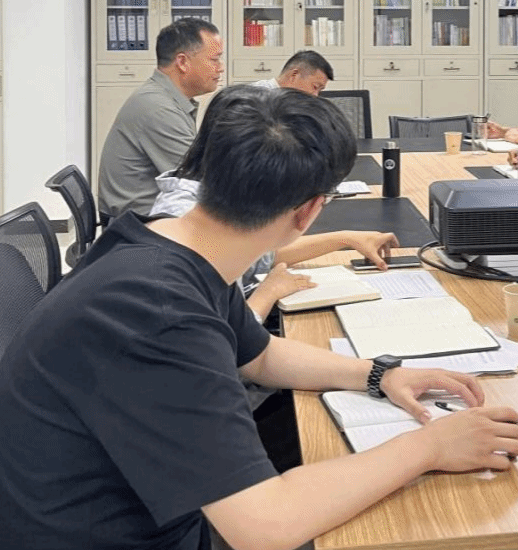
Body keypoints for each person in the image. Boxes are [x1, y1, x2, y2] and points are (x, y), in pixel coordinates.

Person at [0, 85, 518, 550]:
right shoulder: (158, 311)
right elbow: (264, 524)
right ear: (308, 212)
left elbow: (258, 355)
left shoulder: (169, 243)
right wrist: (429, 446)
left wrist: (380, 374)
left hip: (163, 537)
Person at [151, 86, 398, 322]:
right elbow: (227, 342)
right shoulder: (187, 247)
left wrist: (345, 239)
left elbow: (261, 255)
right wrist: (267, 293)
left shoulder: (210, 213)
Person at [98, 18, 224, 218]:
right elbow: (201, 178)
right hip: (140, 223)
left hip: (146, 214)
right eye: (214, 60)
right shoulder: (159, 109)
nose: (220, 68)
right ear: (182, 62)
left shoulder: (164, 98)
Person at [252, 49, 334, 96]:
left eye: (320, 90)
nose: (315, 95)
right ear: (294, 75)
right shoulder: (256, 97)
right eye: (315, 87)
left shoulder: (298, 103)